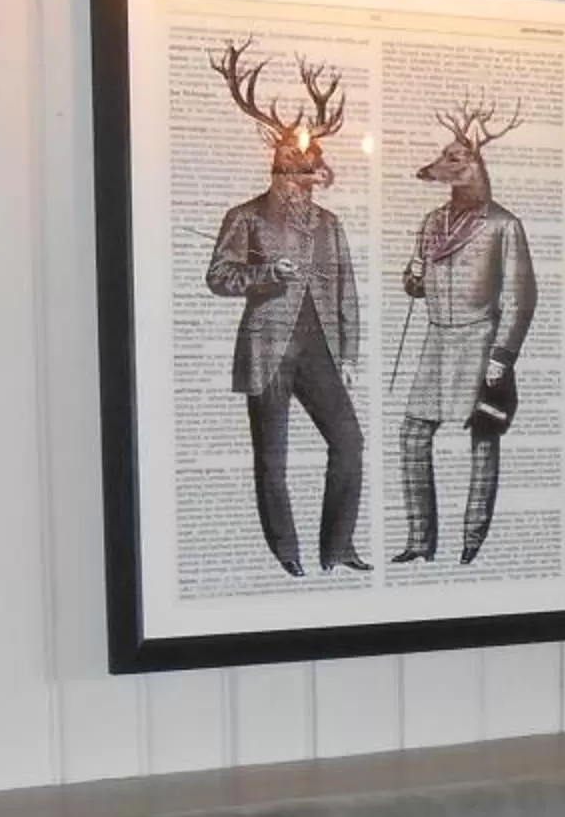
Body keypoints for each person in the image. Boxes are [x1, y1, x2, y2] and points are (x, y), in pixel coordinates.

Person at [205, 43, 364, 576]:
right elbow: (219, 277)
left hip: (320, 355)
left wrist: (349, 353)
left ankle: (337, 548)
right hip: (267, 351)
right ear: (280, 171)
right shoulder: (246, 217)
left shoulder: (329, 225)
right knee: (273, 460)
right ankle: (287, 552)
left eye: (312, 174)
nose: (309, 182)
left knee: (349, 443)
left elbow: (346, 291)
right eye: (301, 174)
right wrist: (266, 274)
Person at [394, 106, 537, 567]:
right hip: (438, 341)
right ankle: (420, 541)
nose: (444, 167)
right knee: (413, 435)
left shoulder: (504, 225)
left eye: (455, 160)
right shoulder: (432, 222)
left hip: (479, 341)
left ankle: (472, 539)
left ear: (474, 165)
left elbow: (520, 296)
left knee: (482, 436)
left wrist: (502, 356)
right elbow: (414, 287)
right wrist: (414, 274)